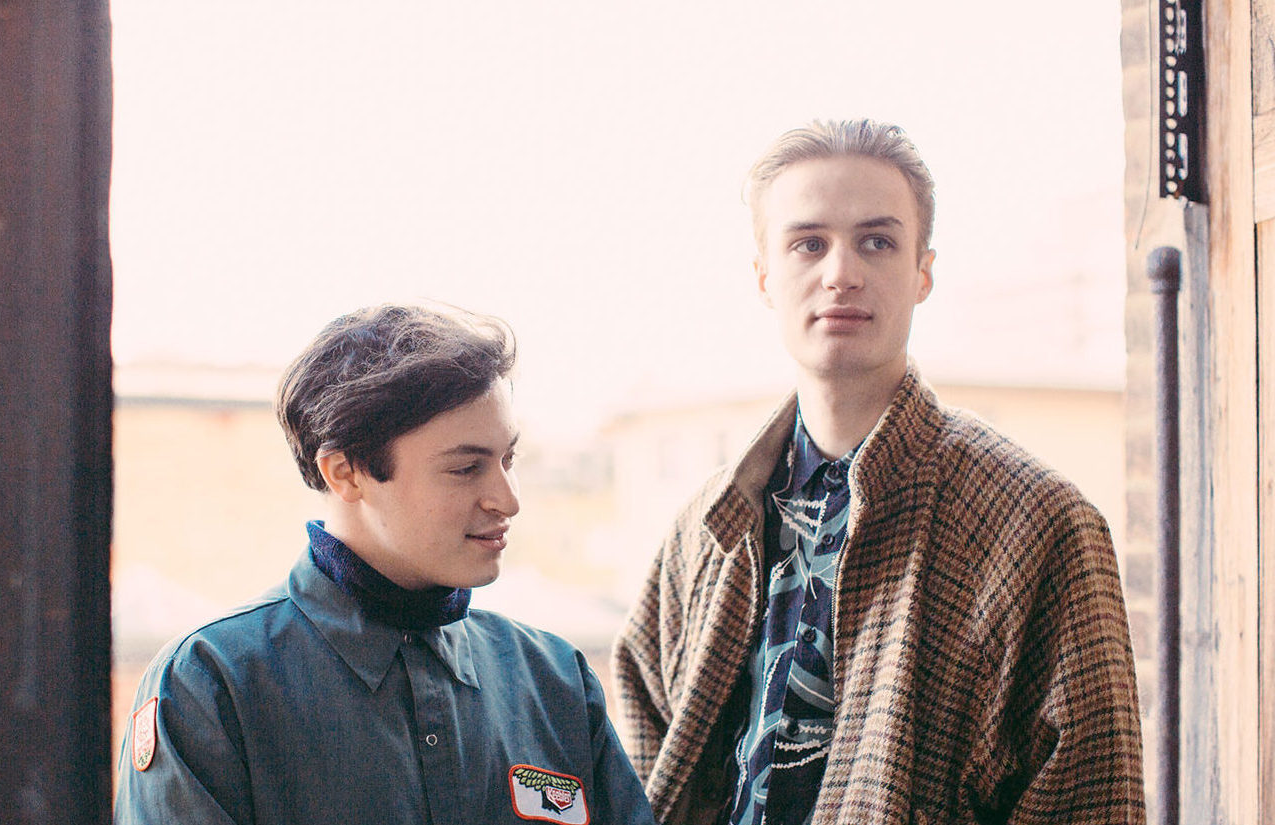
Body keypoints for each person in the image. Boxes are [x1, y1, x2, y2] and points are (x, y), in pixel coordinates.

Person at [612, 120, 1145, 825]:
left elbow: (1091, 801)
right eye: (809, 243)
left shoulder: (1038, 524)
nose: (841, 273)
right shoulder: (704, 530)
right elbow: (643, 768)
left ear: (923, 271)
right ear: (765, 277)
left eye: (877, 241)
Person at [115, 303, 656, 825]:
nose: (508, 500)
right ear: (345, 473)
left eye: (508, 459)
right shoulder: (210, 687)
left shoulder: (557, 680)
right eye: (466, 468)